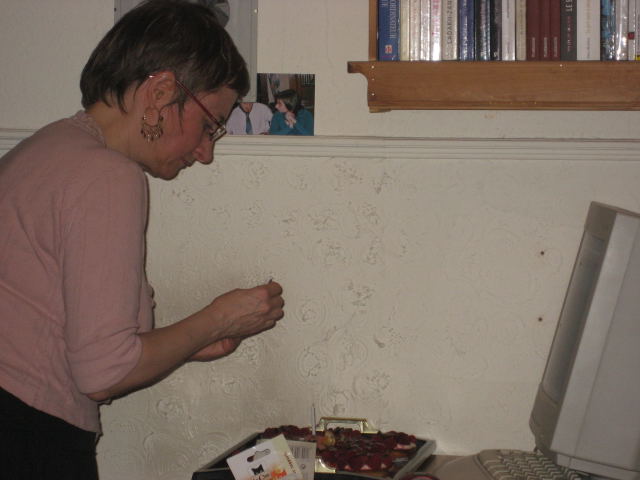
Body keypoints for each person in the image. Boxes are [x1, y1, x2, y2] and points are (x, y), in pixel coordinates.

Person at [0, 1, 284, 479]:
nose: (206, 152)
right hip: (24, 439)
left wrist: (186, 344)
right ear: (161, 92)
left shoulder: (46, 149)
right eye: (209, 124)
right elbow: (104, 373)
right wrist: (217, 319)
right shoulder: (107, 177)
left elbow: (66, 334)